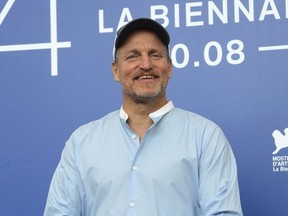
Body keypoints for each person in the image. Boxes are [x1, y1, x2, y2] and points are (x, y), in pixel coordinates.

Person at [44, 18, 243, 216]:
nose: (146, 64)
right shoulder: (81, 143)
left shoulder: (206, 137)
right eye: (133, 56)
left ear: (170, 67)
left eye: (155, 55)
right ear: (116, 70)